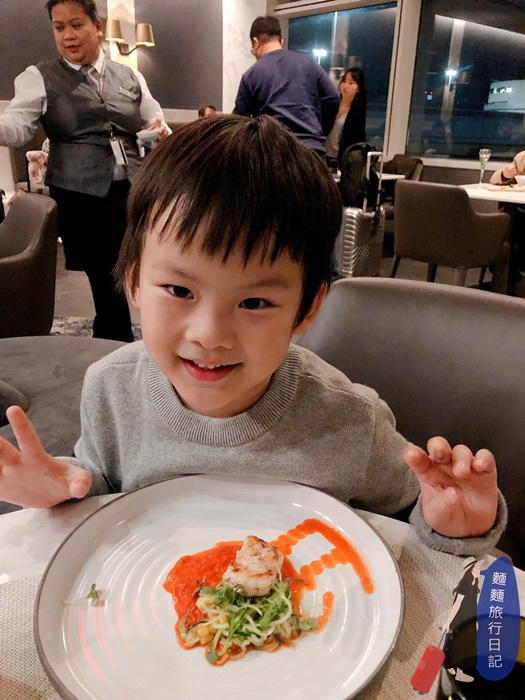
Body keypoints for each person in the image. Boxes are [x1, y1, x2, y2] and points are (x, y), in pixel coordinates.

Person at [0, 115, 506, 562]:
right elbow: (102, 486)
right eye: (179, 290)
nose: (210, 335)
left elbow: (412, 510)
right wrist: (65, 485)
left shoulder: (353, 422)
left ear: (307, 308)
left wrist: (454, 522)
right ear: (133, 280)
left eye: (255, 302)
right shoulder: (110, 390)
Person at [0, 0, 171, 342]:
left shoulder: (130, 75)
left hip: (133, 189)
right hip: (80, 193)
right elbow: (17, 127)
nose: (67, 35)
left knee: (141, 267)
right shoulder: (39, 78)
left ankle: (129, 334)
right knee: (106, 274)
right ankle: (117, 339)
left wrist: (159, 130)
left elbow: (154, 120)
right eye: (59, 27)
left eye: (76, 25)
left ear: (98, 27)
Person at [233, 15, 340, 157]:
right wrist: (319, 131)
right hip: (312, 152)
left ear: (255, 42)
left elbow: (238, 123)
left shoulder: (251, 75)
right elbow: (333, 97)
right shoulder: (309, 63)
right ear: (281, 41)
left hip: (275, 152)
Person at [442, 557, 483, 683]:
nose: (479, 570)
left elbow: (473, 605)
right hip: (460, 619)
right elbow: (457, 603)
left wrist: (475, 620)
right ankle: (455, 670)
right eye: (476, 567)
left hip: (468, 619)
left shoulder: (474, 584)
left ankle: (452, 667)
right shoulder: (465, 584)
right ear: (470, 570)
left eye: (479, 567)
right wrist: (448, 621)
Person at [490, 150, 525, 288]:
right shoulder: (522, 158)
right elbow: (495, 179)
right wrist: (506, 174)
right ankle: (507, 277)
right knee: (508, 213)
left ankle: (506, 273)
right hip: (519, 211)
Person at [325, 67, 367, 169]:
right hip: (324, 154)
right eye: (344, 81)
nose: (346, 86)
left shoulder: (357, 112)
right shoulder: (332, 104)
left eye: (351, 83)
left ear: (358, 88)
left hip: (342, 160)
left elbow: (355, 141)